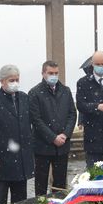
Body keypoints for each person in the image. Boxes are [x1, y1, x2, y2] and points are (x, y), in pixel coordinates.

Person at [0, 65, 35, 204]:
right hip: (2, 159)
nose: (15, 83)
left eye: (17, 79)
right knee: (0, 202)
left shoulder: (24, 98)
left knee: (20, 203)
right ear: (2, 81)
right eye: (11, 80)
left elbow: (30, 123)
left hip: (21, 159)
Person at [28, 60, 77, 196]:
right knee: (41, 183)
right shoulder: (35, 93)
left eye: (56, 73)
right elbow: (36, 120)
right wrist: (52, 137)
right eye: (50, 73)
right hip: (42, 146)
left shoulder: (65, 91)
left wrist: (65, 134)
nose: (54, 76)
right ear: (43, 73)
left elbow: (72, 114)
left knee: (60, 184)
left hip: (62, 146)